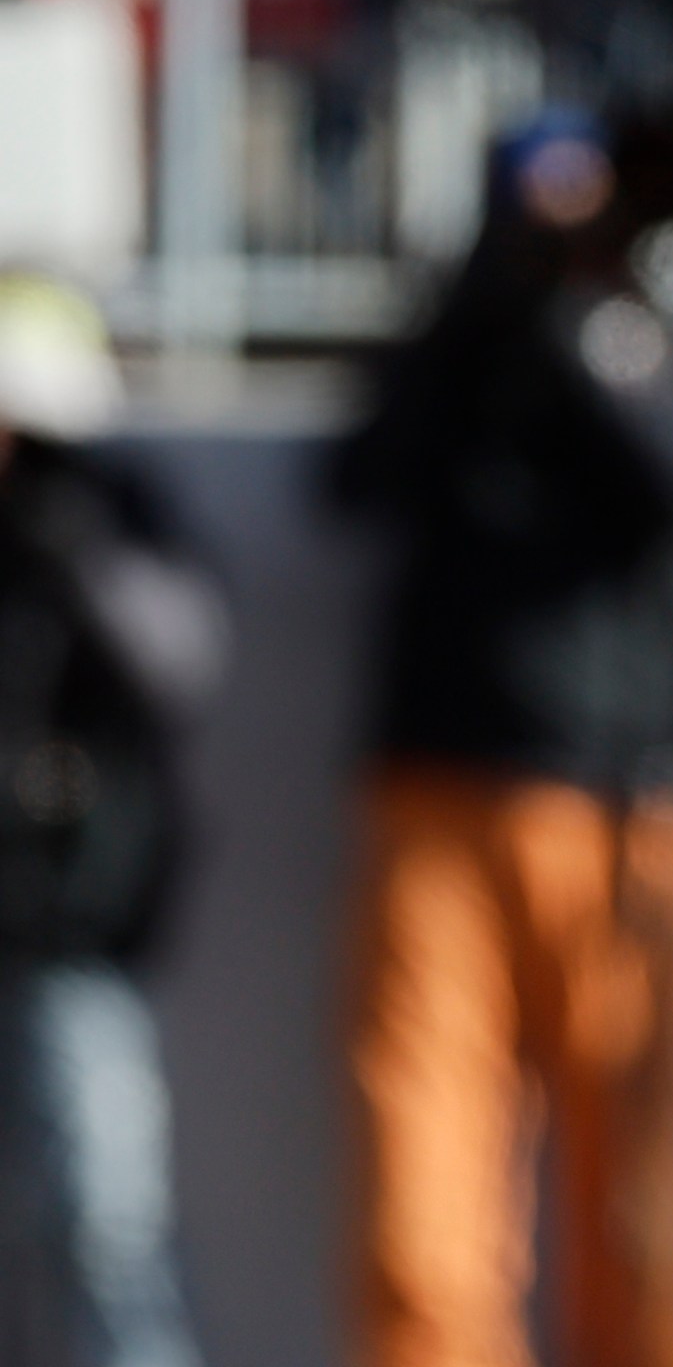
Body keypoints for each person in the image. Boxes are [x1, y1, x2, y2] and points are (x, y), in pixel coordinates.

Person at [331, 108, 673, 1367]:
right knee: (424, 1182)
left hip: (629, 804)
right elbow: (354, 482)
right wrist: (483, 305)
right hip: (442, 793)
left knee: (640, 1201)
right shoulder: (462, 340)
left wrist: (575, 314)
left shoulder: (653, 322)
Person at [0, 272, 224, 1367]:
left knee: (106, 1226)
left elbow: (180, 659)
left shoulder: (108, 508)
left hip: (73, 931)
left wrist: (67, 545)